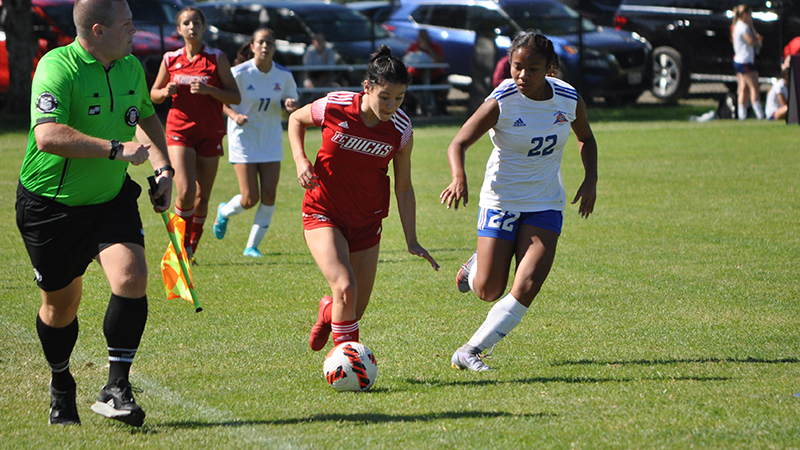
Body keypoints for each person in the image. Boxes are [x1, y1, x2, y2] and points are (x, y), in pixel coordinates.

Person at [15, 0, 173, 426]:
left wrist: (164, 168)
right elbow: (47, 136)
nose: (135, 29)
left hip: (110, 199)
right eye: (126, 24)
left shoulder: (131, 67)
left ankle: (116, 387)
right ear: (98, 31)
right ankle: (62, 382)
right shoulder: (57, 67)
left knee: (132, 276)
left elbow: (144, 115)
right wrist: (116, 150)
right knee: (60, 308)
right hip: (51, 207)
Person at [440, 31, 598, 372]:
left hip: (545, 202)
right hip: (502, 198)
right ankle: (475, 268)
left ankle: (470, 351)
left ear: (550, 69)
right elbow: (458, 143)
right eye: (516, 67)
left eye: (533, 69)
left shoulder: (568, 99)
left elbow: (586, 138)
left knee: (528, 283)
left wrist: (591, 179)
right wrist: (458, 177)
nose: (523, 76)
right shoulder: (503, 100)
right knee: (488, 290)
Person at [288, 45, 440, 352]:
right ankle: (349, 369)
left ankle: (327, 311)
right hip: (323, 212)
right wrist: (300, 160)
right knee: (345, 287)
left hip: (367, 221)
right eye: (385, 97)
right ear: (367, 87)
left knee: (352, 309)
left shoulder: (401, 128)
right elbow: (296, 120)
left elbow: (404, 186)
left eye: (399, 98)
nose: (391, 106)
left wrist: (412, 239)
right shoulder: (335, 105)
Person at [150, 6, 241, 263]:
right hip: (179, 130)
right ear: (179, 29)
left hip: (210, 132)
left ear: (203, 27)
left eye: (196, 22)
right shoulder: (170, 59)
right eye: (187, 23)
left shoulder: (216, 58)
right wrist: (166, 91)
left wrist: (209, 89)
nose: (192, 27)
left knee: (202, 197)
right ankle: (180, 249)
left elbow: (235, 96)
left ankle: (192, 246)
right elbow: (153, 95)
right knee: (186, 190)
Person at [215, 29, 299, 257]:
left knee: (269, 195)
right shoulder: (239, 72)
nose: (265, 46)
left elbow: (292, 98)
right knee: (250, 198)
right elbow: (221, 100)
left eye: (269, 43)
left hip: (270, 139)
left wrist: (290, 104)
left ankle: (252, 246)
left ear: (274, 46)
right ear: (252, 46)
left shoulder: (282, 74)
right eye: (261, 42)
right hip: (244, 139)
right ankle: (224, 211)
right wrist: (234, 116)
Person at [404, 29, 449, 115]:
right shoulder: (413, 47)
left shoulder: (435, 47)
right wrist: (419, 49)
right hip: (416, 75)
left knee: (444, 84)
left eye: (425, 37)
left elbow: (441, 61)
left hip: (434, 75)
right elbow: (408, 60)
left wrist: (428, 48)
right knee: (404, 85)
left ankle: (440, 108)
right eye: (421, 37)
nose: (423, 39)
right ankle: (410, 108)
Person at [731, 4, 765, 120]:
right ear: (744, 14)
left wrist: (752, 28)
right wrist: (757, 37)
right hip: (744, 61)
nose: (751, 17)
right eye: (750, 14)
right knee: (754, 87)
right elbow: (750, 41)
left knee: (744, 89)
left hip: (741, 60)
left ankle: (742, 116)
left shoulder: (740, 25)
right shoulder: (742, 27)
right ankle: (760, 115)